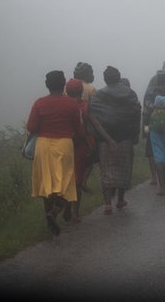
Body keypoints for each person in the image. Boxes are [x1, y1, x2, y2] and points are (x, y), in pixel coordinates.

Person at [26, 70, 85, 236]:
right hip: (64, 145)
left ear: (47, 85)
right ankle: (54, 211)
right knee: (66, 182)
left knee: (48, 184)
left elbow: (31, 127)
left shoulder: (39, 103)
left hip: (43, 146)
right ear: (64, 85)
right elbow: (79, 131)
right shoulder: (71, 104)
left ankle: (49, 221)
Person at [89, 66, 142, 214]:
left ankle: (107, 204)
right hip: (125, 138)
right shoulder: (130, 94)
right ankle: (120, 199)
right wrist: (135, 135)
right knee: (124, 169)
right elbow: (136, 112)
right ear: (119, 78)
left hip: (105, 140)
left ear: (105, 79)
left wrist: (105, 137)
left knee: (106, 170)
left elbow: (93, 117)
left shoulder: (99, 96)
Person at [63, 78, 97, 224]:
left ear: (67, 91)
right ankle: (75, 213)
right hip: (81, 146)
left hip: (63, 145)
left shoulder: (63, 106)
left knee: (65, 177)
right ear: (81, 91)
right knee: (77, 179)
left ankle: (62, 207)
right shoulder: (84, 106)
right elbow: (91, 125)